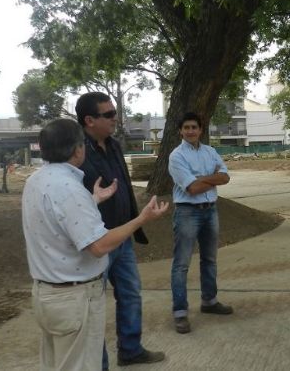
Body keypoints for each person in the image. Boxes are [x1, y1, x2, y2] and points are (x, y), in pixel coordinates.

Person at [21, 118, 169, 371]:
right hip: (73, 298)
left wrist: (92, 200)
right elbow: (98, 246)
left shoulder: (36, 181)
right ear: (78, 149)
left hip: (48, 294)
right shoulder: (68, 188)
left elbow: (59, 219)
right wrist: (142, 219)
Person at [75, 92, 166, 368]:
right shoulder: (76, 152)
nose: (116, 119)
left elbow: (123, 183)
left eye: (115, 113)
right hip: (97, 242)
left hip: (122, 237)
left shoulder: (113, 145)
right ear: (89, 120)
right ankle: (98, 363)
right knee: (94, 306)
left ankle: (130, 349)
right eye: (109, 114)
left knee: (130, 292)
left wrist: (134, 219)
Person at [168, 112, 233, 334]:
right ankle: (180, 312)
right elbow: (191, 188)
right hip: (187, 212)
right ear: (180, 130)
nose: (190, 131)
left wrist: (200, 178)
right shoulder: (176, 156)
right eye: (186, 127)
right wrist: (211, 178)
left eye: (194, 127)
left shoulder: (210, 151)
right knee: (181, 263)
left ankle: (209, 301)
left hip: (210, 211)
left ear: (200, 129)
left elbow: (226, 177)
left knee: (210, 259)